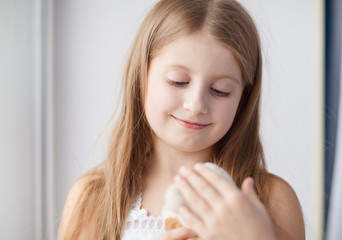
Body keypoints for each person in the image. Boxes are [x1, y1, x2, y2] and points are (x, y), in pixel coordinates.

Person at [58, 0, 305, 239]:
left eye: (220, 90)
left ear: (243, 96)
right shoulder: (93, 197)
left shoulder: (270, 200)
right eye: (178, 81)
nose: (196, 105)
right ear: (141, 77)